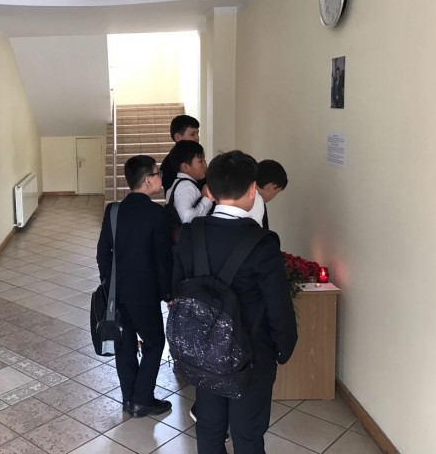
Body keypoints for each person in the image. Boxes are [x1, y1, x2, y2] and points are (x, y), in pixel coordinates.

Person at [172, 150, 297, 454]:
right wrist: (284, 347)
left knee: (209, 428)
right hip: (252, 353)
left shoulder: (190, 233)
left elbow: (176, 288)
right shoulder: (264, 243)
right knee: (247, 433)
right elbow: (278, 304)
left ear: (211, 191)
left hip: (204, 349)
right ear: (253, 189)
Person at [96, 155, 173, 418]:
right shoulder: (158, 215)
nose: (161, 177)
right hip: (145, 293)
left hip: (117, 293)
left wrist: (109, 284)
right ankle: (141, 400)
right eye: (158, 173)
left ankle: (129, 398)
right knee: (154, 342)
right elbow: (163, 260)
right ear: (148, 179)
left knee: (125, 344)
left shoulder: (113, 210)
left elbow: (102, 253)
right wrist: (167, 293)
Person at [166, 140, 214, 224]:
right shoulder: (186, 186)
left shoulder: (180, 184)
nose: (205, 164)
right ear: (185, 167)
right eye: (200, 161)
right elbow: (186, 219)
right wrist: (206, 199)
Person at [160, 115, 201, 193]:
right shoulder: (168, 164)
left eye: (197, 133)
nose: (197, 138)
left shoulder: (196, 157)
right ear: (178, 137)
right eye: (192, 134)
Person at [248, 159, 288, 229]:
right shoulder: (257, 201)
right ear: (272, 187)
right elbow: (258, 233)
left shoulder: (240, 194)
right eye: (277, 192)